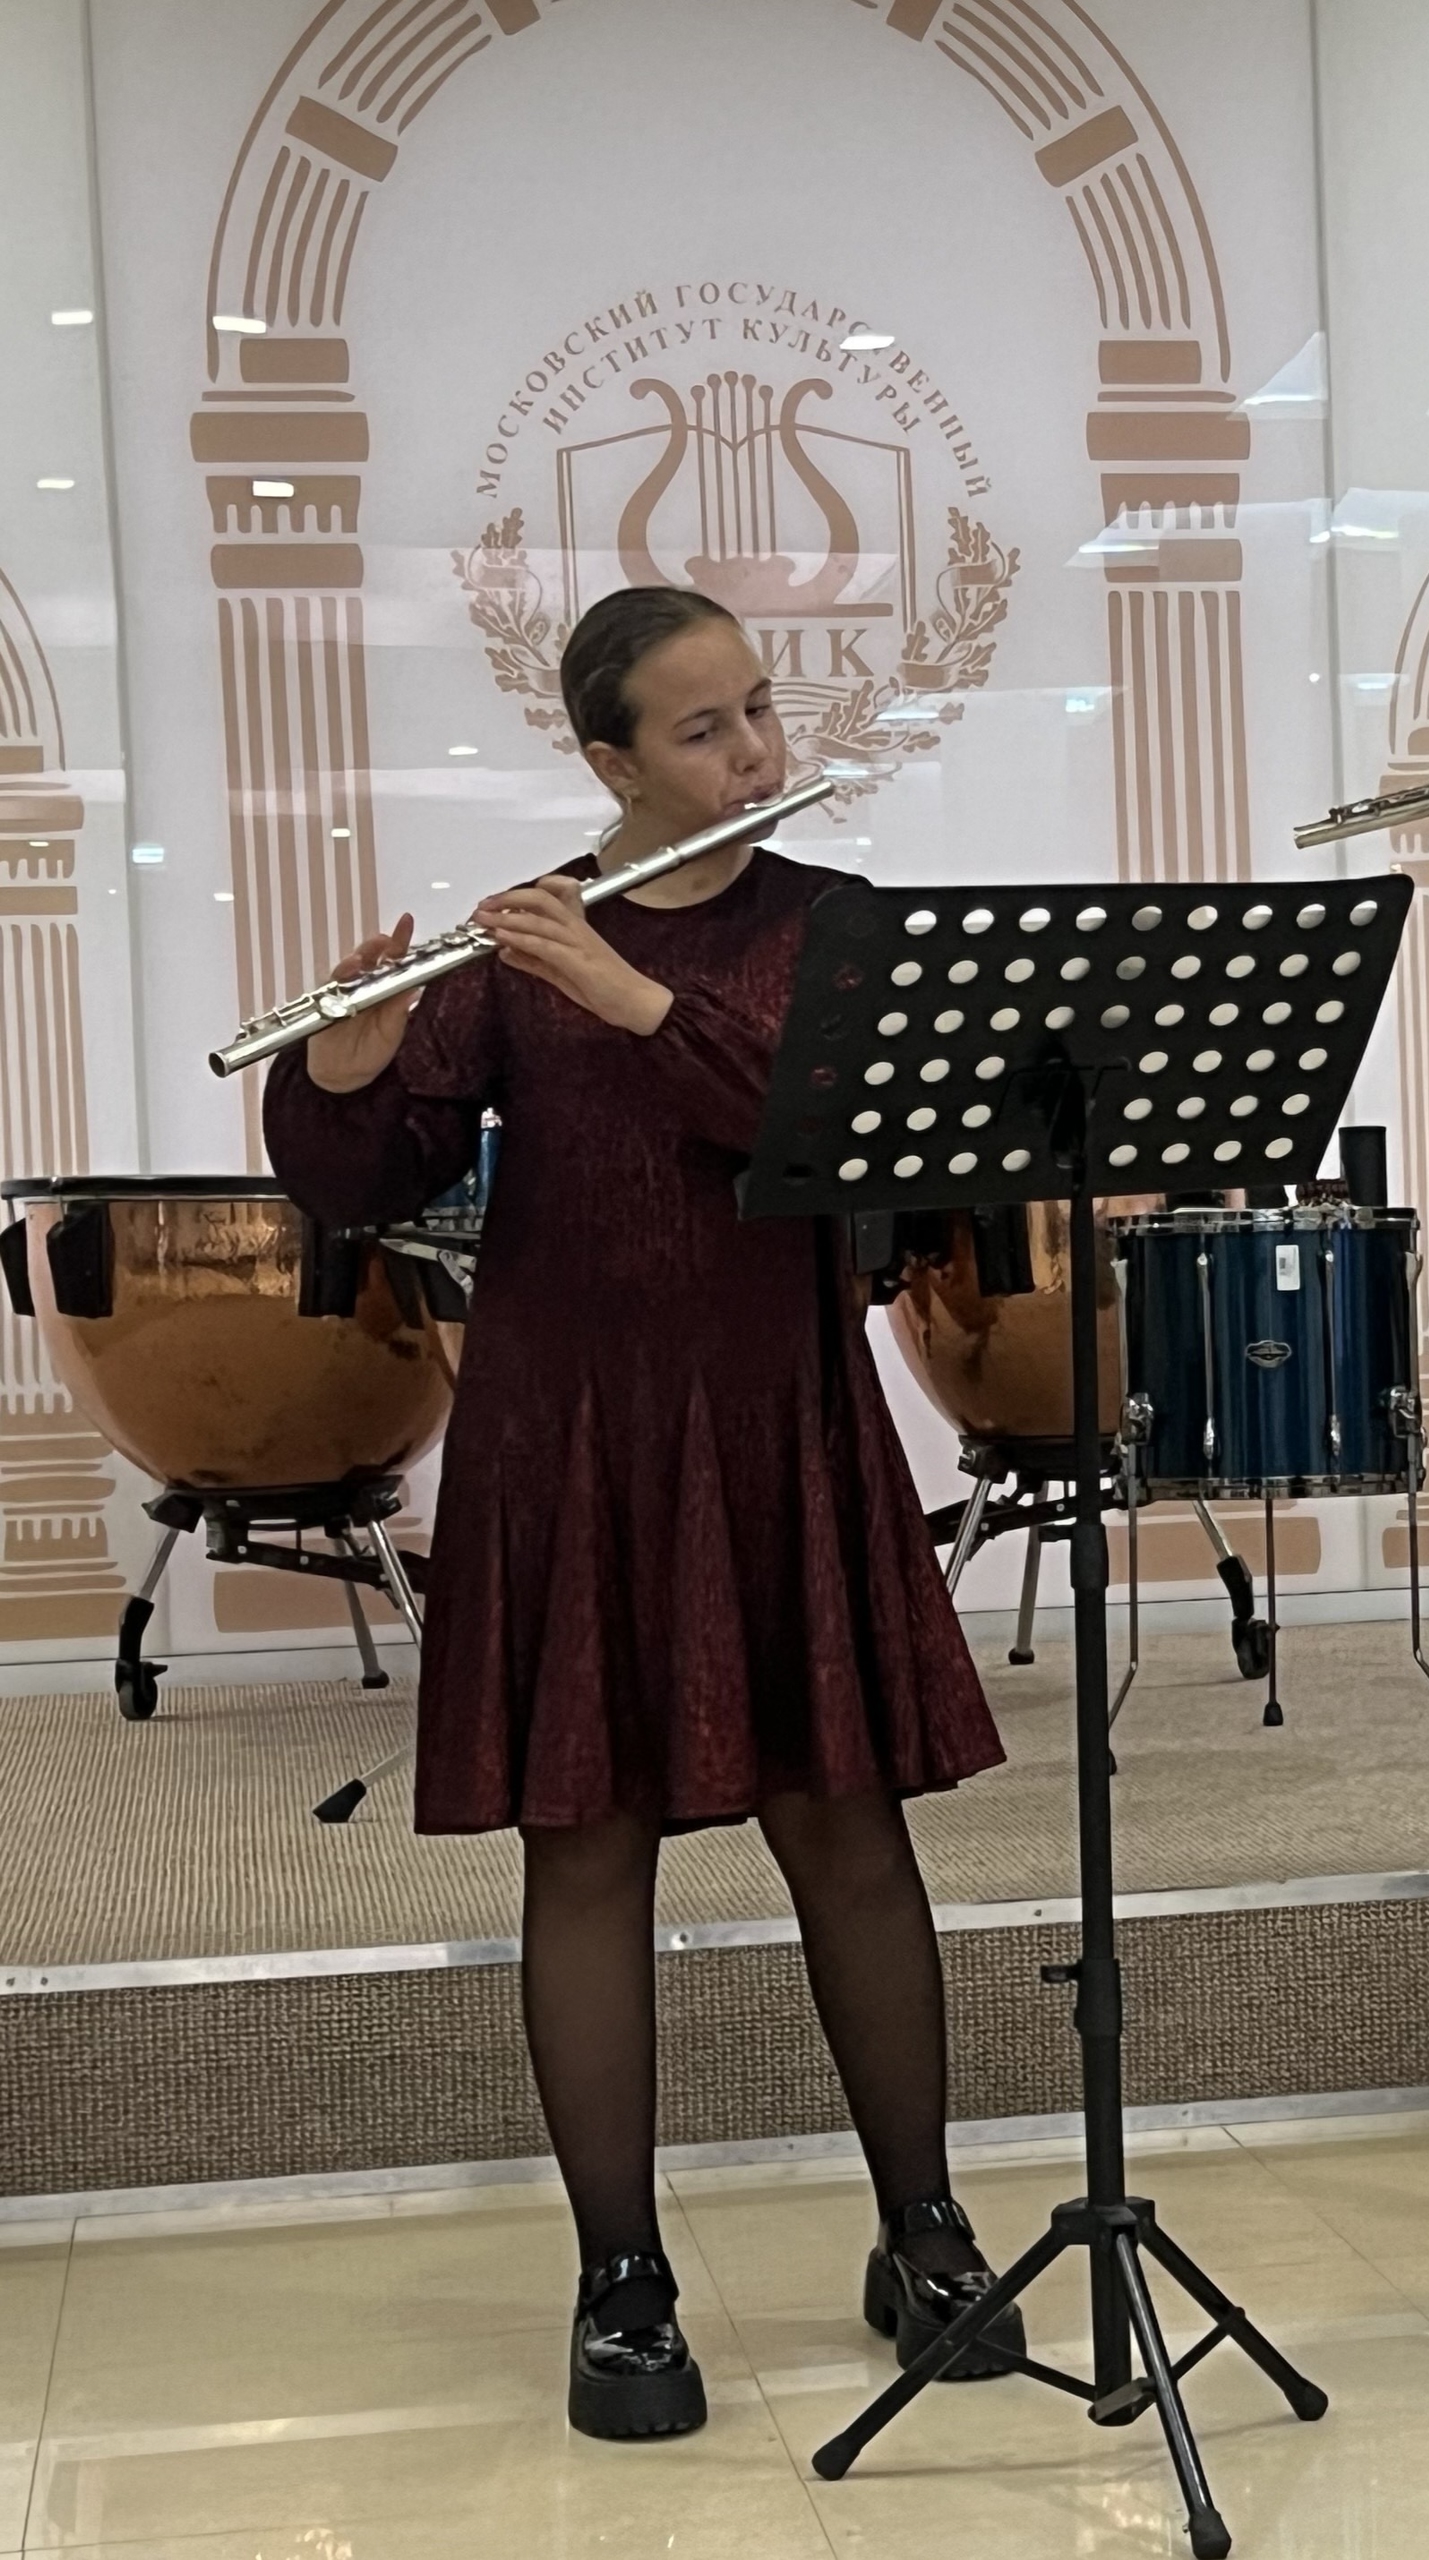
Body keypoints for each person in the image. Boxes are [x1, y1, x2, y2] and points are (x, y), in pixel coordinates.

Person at [263, 586, 1024, 2439]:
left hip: (780, 1425)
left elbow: (833, 1135)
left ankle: (922, 2231)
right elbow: (366, 1177)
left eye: (758, 711)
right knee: (587, 1849)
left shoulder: (831, 924)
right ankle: (621, 2280)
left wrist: (637, 999)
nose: (755, 751)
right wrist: (342, 1072)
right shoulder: (518, 940)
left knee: (845, 1828)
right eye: (704, 730)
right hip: (568, 1442)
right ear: (608, 761)